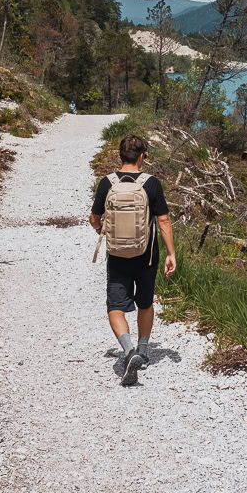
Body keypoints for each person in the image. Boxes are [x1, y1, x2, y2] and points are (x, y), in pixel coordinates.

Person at [90, 134, 177, 386]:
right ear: (142, 156)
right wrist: (171, 253)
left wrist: (103, 231)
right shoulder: (152, 183)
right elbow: (163, 221)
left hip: (117, 254)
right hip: (146, 255)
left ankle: (128, 351)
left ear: (120, 155)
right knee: (145, 302)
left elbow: (94, 218)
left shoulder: (107, 183)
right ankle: (143, 351)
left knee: (115, 306)